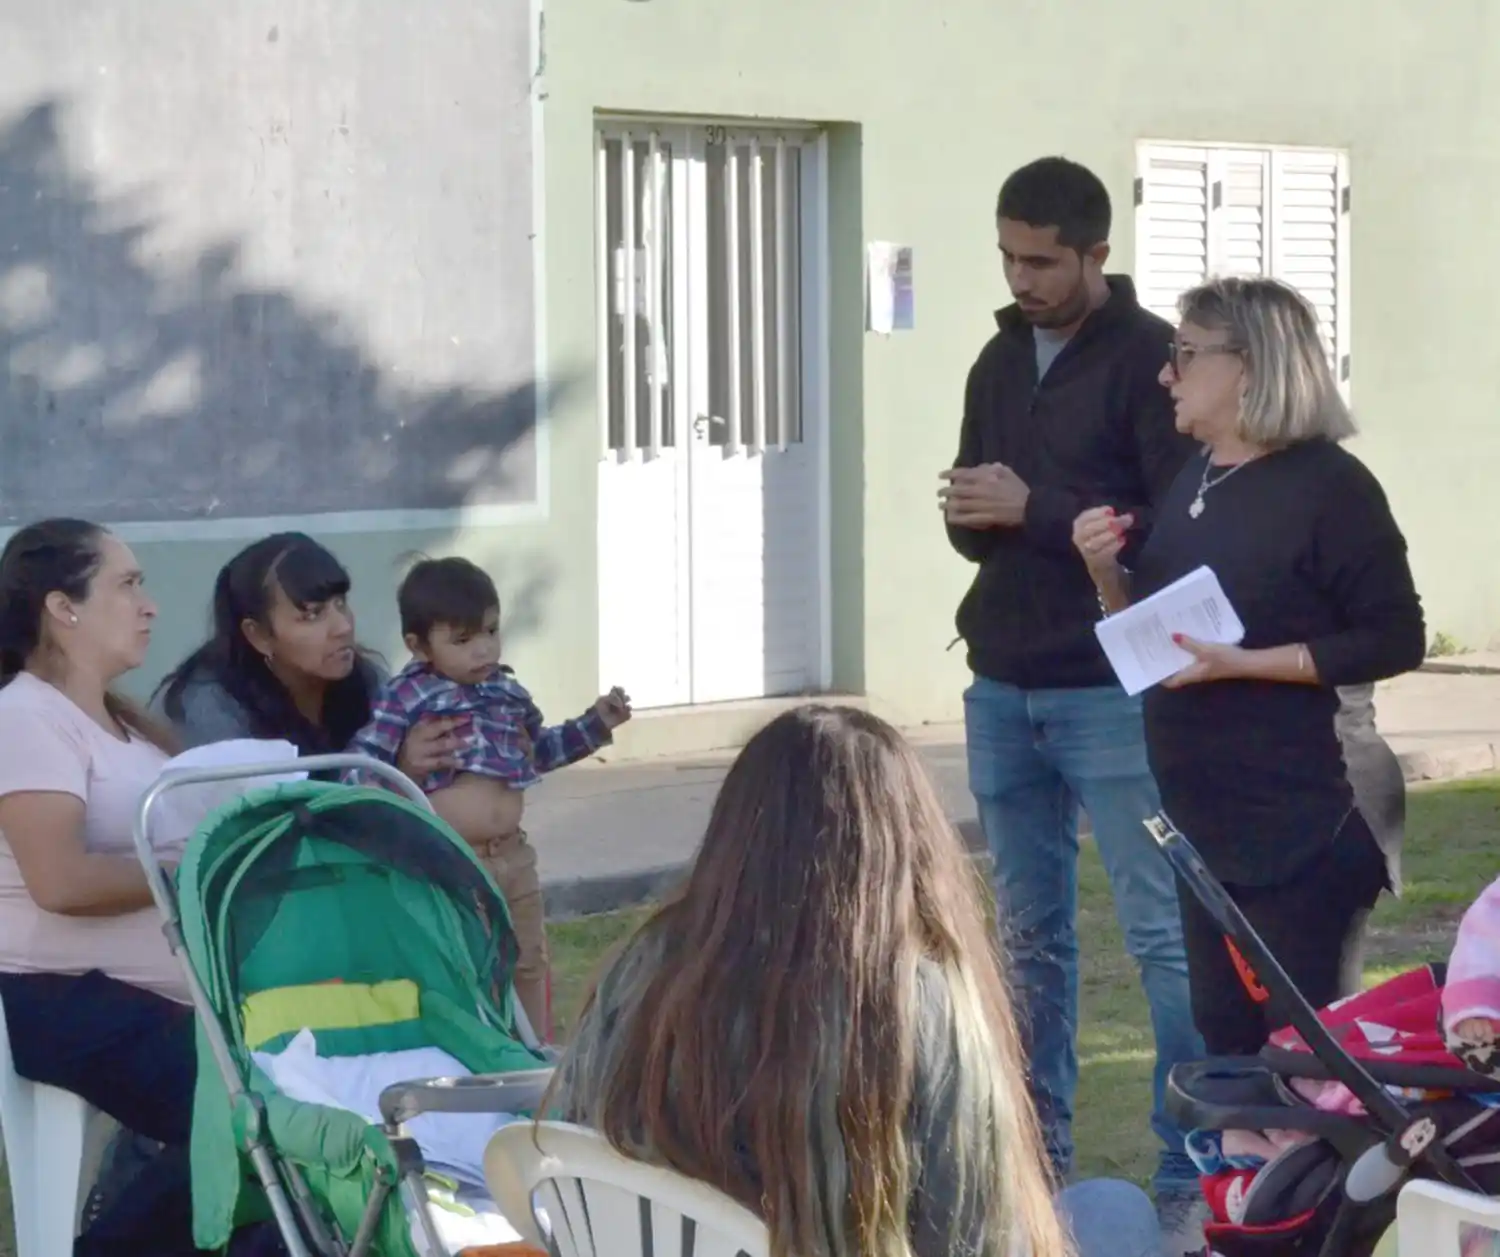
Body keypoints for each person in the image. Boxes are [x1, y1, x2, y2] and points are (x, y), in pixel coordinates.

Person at [552, 704, 1167, 1257]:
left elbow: (574, 1154)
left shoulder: (646, 964)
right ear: (908, 843)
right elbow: (974, 1235)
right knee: (1115, 1211)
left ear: (737, 833)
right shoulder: (918, 998)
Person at [938, 154, 1202, 1239]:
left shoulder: (1153, 364)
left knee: (1162, 932)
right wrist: (969, 509)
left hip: (1109, 690)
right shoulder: (997, 358)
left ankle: (1191, 1169)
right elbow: (971, 517)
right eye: (1007, 254)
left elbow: (1167, 527)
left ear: (1098, 251)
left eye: (1042, 259)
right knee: (1026, 938)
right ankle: (1035, 1164)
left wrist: (1033, 506)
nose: (1021, 276)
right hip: (1001, 684)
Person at [1072, 275, 1426, 1063]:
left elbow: (1398, 636)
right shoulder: (1196, 474)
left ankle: (1326, 1192)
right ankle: (1243, 1190)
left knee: (1308, 1056)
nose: (1167, 372)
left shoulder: (1332, 487)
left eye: (1185, 352)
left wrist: (1247, 664)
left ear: (1249, 365)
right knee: (1226, 1041)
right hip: (1210, 821)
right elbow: (1164, 631)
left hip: (1310, 812)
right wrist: (1104, 575)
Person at [0, 519, 194, 1256]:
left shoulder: (126, 729)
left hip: (151, 998)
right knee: (253, 1119)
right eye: (128, 583)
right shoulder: (24, 716)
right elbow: (60, 880)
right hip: (61, 997)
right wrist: (188, 871)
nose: (149, 604)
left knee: (298, 1104)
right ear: (63, 606)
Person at [347, 556, 633, 1037]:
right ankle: (477, 1054)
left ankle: (533, 1055)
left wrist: (596, 724)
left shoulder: (508, 693)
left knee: (528, 960)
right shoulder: (408, 698)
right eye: (462, 640)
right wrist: (399, 771)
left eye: (490, 631)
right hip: (449, 860)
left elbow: (539, 752)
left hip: (514, 857)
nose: (483, 649)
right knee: (465, 967)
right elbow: (361, 766)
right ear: (418, 647)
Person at [153, 532, 459, 782]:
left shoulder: (366, 682)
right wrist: (395, 776)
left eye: (340, 603)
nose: (343, 626)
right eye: (312, 615)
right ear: (258, 635)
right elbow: (262, 833)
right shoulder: (210, 708)